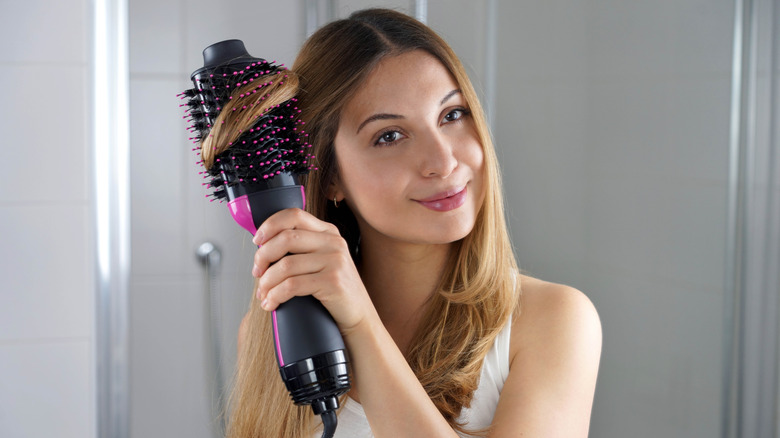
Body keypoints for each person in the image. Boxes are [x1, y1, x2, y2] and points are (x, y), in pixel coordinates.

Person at [220, 8, 601, 438]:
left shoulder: (553, 321)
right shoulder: (272, 335)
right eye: (389, 136)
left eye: (452, 115)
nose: (443, 161)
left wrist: (361, 326)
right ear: (329, 178)